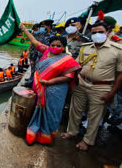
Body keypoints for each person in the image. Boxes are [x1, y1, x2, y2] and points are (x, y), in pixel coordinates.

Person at [61, 20, 122, 151]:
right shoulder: (86, 47)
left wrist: (112, 93)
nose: (97, 35)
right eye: (94, 32)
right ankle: (72, 132)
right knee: (75, 110)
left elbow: (120, 75)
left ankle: (87, 140)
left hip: (102, 86)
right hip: (81, 82)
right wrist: (73, 81)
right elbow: (77, 65)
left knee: (95, 115)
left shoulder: (117, 50)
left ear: (108, 32)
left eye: (101, 32)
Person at [20, 23, 81, 145]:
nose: (55, 47)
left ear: (64, 47)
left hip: (55, 89)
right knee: (37, 109)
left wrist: (50, 82)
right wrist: (24, 30)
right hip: (40, 86)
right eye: (53, 45)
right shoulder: (46, 51)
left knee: (51, 112)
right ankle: (34, 132)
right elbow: (34, 41)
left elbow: (68, 77)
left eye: (59, 45)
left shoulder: (68, 59)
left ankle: (45, 137)